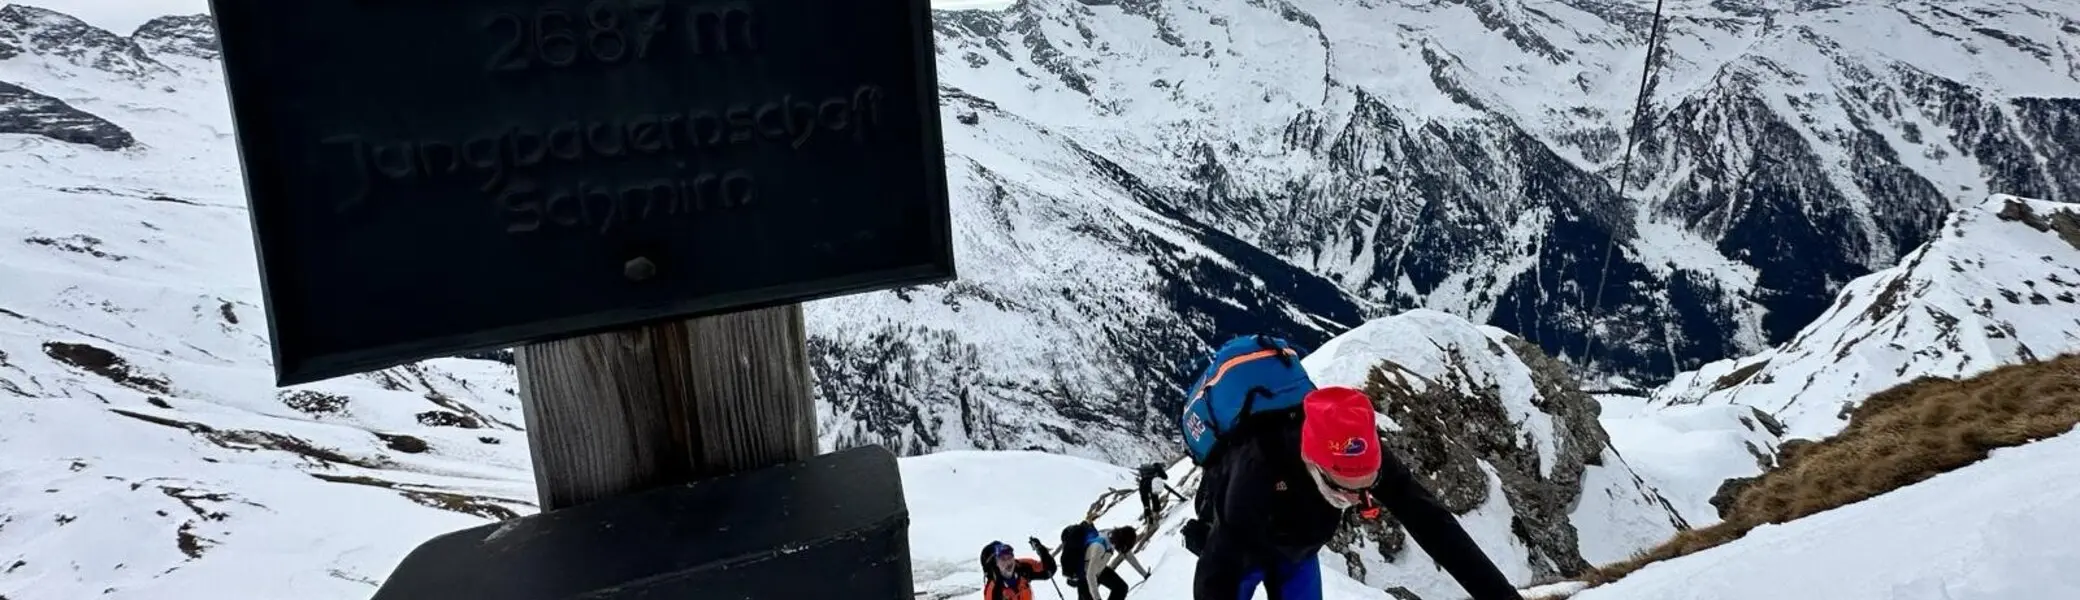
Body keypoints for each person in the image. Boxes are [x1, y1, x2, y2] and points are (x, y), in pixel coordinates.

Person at [1184, 386, 1522, 600]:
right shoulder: (1255, 475)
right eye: (1344, 489)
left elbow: (1436, 527)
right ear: (1311, 461)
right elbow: (1215, 577)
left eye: (1369, 485)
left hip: (1299, 548)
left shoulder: (1361, 456)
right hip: (1244, 554)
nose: (1358, 499)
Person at [1075, 526, 1151, 600]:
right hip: (1084, 576)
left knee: (1121, 588)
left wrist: (1145, 574)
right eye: (1124, 547)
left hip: (1099, 569)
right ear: (1122, 542)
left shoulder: (1114, 536)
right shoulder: (1100, 546)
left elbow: (1129, 556)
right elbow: (1090, 575)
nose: (1123, 550)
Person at [980, 537, 1058, 600]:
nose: (1008, 562)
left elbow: (1048, 570)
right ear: (996, 563)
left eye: (1010, 557)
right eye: (1003, 559)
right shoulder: (994, 590)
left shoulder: (1022, 567)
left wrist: (1041, 550)